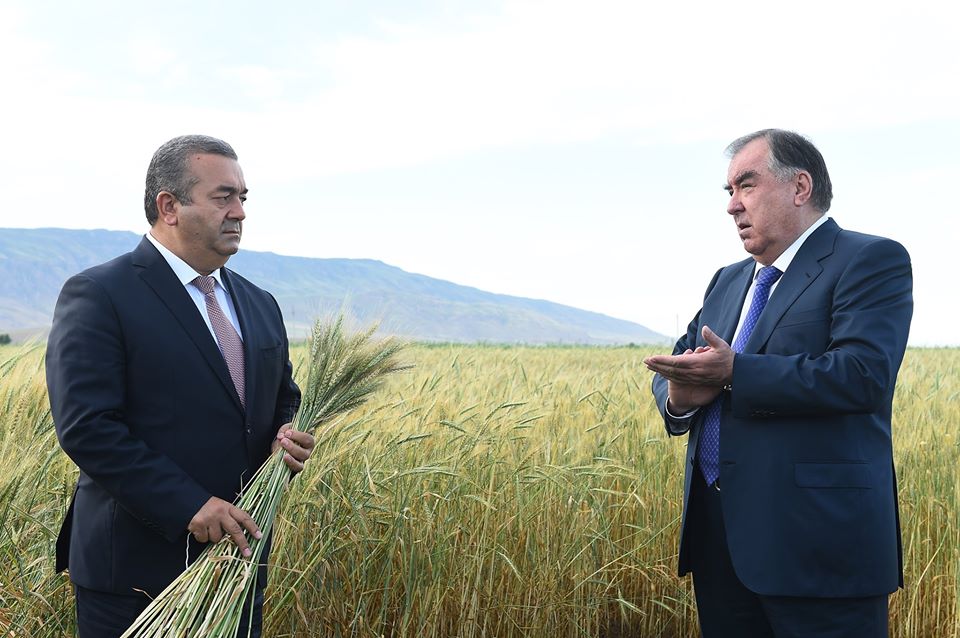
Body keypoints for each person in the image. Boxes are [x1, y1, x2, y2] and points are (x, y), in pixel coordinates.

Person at [644, 129, 913, 637]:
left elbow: (863, 374)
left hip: (819, 549)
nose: (732, 205)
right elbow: (680, 362)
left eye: (746, 185)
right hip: (720, 545)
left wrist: (735, 373)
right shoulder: (727, 279)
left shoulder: (869, 259)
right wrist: (678, 399)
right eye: (729, 191)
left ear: (800, 187)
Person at [46, 134, 315, 638]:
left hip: (237, 565)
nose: (240, 212)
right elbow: (88, 427)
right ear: (169, 206)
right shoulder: (101, 294)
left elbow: (283, 397)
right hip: (134, 575)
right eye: (223, 197)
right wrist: (188, 504)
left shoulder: (260, 303)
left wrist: (286, 434)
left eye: (243, 197)